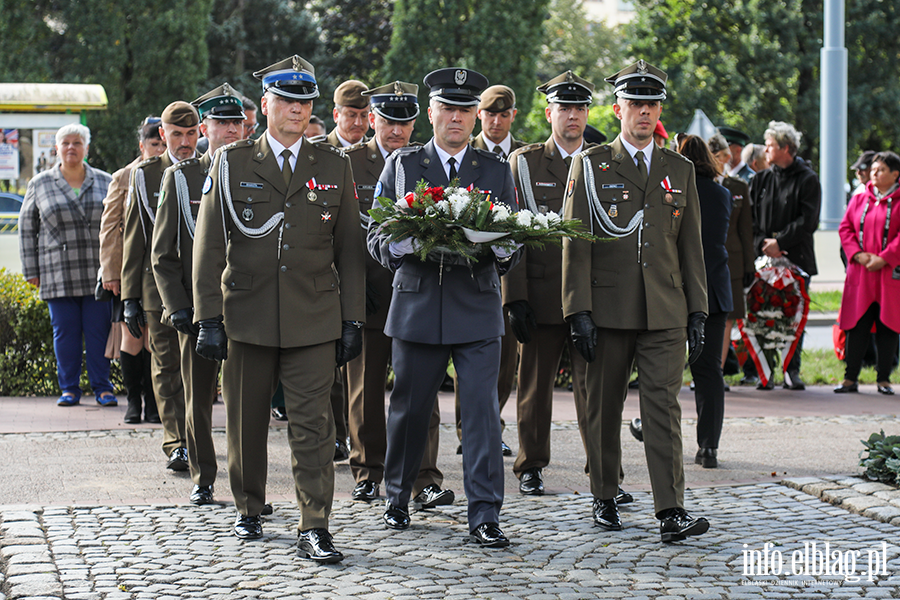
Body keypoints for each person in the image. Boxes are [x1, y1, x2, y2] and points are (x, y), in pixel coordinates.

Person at [192, 55, 365, 563]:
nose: (296, 108)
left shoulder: (334, 164)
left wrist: (352, 318)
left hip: (313, 317)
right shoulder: (232, 161)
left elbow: (350, 250)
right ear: (264, 105)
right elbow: (208, 245)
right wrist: (208, 318)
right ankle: (249, 506)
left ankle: (315, 523)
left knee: (314, 426)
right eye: (286, 100)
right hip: (246, 314)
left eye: (304, 100)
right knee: (246, 422)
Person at [367, 67, 519, 548]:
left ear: (476, 115)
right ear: (430, 113)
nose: (456, 117)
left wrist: (500, 248)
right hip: (418, 305)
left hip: (475, 307)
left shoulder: (495, 169)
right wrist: (403, 243)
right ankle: (397, 497)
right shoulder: (403, 166)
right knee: (409, 411)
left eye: (465, 109)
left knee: (480, 414)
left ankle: (485, 513)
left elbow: (514, 237)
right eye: (447, 108)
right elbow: (374, 235)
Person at [561, 60, 710, 542]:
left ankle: (671, 510)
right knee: (603, 406)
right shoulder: (592, 162)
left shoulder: (678, 168)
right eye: (635, 104)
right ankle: (605, 496)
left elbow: (691, 247)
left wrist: (698, 310)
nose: (643, 113)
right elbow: (575, 242)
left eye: (651, 105)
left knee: (663, 409)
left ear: (659, 110)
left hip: (665, 308)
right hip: (608, 309)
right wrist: (576, 309)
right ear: (618, 107)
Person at [344, 81, 447, 506]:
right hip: (368, 292)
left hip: (420, 295)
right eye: (388, 121)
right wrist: (350, 294)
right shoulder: (348, 164)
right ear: (372, 120)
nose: (396, 131)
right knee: (366, 389)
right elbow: (344, 236)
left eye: (404, 122)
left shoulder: (427, 161)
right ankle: (368, 469)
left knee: (422, 389)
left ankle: (425, 476)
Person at [151, 83, 247, 506]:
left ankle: (248, 483)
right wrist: (178, 309)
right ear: (204, 127)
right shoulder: (182, 176)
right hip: (198, 310)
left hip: (249, 308)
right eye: (221, 123)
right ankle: (203, 475)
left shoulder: (258, 170)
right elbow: (162, 255)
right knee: (198, 400)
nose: (229, 130)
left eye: (236, 123)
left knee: (246, 403)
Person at [505, 70, 595, 496]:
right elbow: (513, 234)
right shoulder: (525, 162)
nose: (573, 116)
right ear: (549, 113)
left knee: (594, 387)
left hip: (590, 297)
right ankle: (531, 465)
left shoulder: (599, 160)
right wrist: (514, 296)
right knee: (534, 388)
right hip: (539, 293)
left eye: (580, 108)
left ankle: (602, 467)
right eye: (565, 108)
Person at [122, 102, 198, 470]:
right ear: (162, 135)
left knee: (197, 370)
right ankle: (176, 442)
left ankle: (197, 436)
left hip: (203, 288)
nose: (184, 142)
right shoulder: (146, 176)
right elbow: (134, 239)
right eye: (176, 134)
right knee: (166, 366)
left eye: (190, 134)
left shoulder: (211, 169)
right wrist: (130, 297)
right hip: (157, 288)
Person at [19, 124, 116, 407]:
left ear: (87, 148)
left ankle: (103, 387)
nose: (71, 148)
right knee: (65, 334)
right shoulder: (39, 183)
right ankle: (69, 389)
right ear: (57, 149)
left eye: (77, 143)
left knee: (99, 332)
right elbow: (27, 229)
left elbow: (117, 227)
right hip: (57, 271)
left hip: (98, 271)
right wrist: (31, 270)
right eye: (66, 143)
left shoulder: (105, 180)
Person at [456, 83, 527, 457]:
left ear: (513, 116)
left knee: (504, 364)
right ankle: (471, 430)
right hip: (468, 276)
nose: (496, 121)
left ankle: (489, 423)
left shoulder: (523, 156)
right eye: (489, 114)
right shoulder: (463, 151)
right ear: (479, 115)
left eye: (503, 114)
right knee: (465, 357)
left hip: (509, 275)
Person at [99, 117, 166, 423]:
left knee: (156, 335)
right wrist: (111, 271)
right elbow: (111, 227)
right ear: (142, 146)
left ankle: (154, 403)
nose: (160, 149)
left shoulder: (174, 171)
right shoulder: (125, 176)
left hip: (161, 267)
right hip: (131, 267)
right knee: (131, 334)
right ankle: (133, 401)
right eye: (155, 144)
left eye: (163, 143)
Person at [750, 120, 821, 390]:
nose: (765, 149)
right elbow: (751, 220)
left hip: (796, 259)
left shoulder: (808, 179)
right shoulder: (761, 179)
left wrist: (780, 242)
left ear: (786, 148)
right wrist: (763, 244)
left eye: (770, 145)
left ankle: (792, 370)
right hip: (764, 261)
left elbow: (808, 220)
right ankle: (765, 372)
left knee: (792, 316)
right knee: (763, 314)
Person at [676, 135, 732, 469]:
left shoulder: (678, 191)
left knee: (665, 366)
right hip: (715, 285)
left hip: (679, 286)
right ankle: (709, 445)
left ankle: (653, 428)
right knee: (709, 370)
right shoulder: (722, 193)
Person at [836, 151, 900, 396]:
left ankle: (884, 379)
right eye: (873, 169)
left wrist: (885, 257)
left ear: (895, 174)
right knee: (857, 325)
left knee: (888, 325)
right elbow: (845, 228)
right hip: (861, 272)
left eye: (881, 169)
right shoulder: (860, 198)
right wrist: (858, 254)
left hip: (888, 273)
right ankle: (850, 378)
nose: (874, 173)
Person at [326, 80, 370, 147]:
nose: (358, 123)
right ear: (336, 115)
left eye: (364, 115)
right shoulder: (316, 151)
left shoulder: (381, 151)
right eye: (351, 115)